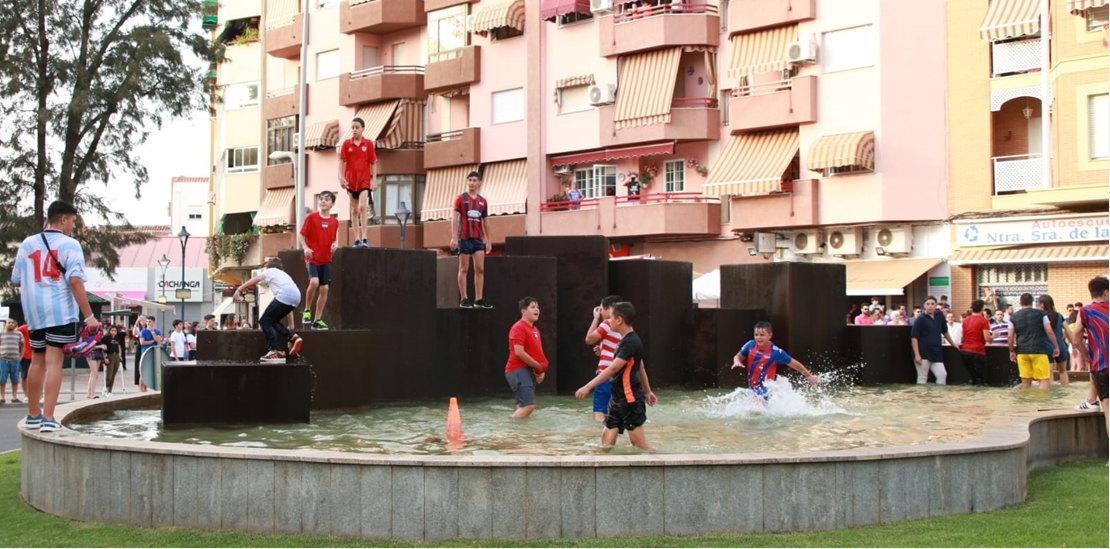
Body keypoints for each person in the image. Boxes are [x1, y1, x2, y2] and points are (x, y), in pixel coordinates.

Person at [11, 200, 100, 432]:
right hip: (60, 311)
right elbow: (75, 281)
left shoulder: (27, 244)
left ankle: (33, 414)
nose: (72, 225)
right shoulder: (70, 245)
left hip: (34, 313)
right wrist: (89, 316)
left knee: (36, 361)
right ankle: (49, 417)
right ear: (63, 219)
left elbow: (17, 280)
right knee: (54, 363)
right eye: (72, 221)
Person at [575, 302, 657, 451]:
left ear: (619, 320)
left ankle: (663, 461)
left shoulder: (631, 342)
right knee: (606, 439)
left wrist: (587, 387)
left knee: (639, 443)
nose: (608, 320)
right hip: (618, 398)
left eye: (611, 317)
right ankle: (601, 467)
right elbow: (641, 366)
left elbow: (613, 369)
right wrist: (648, 391)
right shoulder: (623, 340)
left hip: (630, 398)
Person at [730, 320, 819, 402]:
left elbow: (794, 364)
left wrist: (809, 376)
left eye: (762, 335)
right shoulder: (750, 345)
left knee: (756, 409)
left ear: (770, 335)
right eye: (756, 335)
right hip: (752, 387)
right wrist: (737, 361)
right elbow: (738, 356)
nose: (758, 338)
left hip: (766, 388)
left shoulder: (776, 352)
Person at [235, 258, 303, 361]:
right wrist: (291, 326)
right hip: (296, 297)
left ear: (268, 267)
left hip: (285, 295)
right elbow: (288, 305)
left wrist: (239, 289)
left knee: (264, 321)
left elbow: (257, 278)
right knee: (272, 320)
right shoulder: (285, 275)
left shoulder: (271, 271)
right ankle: (293, 337)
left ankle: (276, 350)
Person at [450, 171, 493, 309]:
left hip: (478, 239)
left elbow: (486, 222)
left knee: (480, 268)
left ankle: (479, 299)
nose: (472, 183)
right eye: (470, 180)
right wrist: (454, 237)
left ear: (479, 182)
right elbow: (455, 219)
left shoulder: (483, 201)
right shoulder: (460, 198)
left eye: (474, 180)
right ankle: (464, 299)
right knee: (464, 268)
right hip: (464, 238)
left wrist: (489, 240)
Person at [300, 190, 339, 330]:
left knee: (325, 289)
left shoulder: (335, 222)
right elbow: (301, 234)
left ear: (332, 204)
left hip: (326, 259)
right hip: (312, 258)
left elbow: (334, 238)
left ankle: (317, 320)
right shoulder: (311, 218)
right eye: (321, 199)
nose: (323, 201)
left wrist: (335, 245)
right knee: (314, 281)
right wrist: (305, 248)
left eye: (326, 199)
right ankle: (307, 310)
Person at [504, 297, 548, 419]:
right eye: (533, 307)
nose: (537, 310)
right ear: (523, 311)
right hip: (517, 370)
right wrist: (538, 366)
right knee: (528, 406)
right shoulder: (518, 327)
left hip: (527, 371)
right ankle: (506, 427)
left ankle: (518, 434)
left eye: (538, 307)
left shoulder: (535, 329)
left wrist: (540, 371)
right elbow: (519, 352)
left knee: (521, 406)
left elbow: (535, 353)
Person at [339, 117, 378, 248]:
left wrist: (374, 179)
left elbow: (373, 162)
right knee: (354, 210)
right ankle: (357, 239)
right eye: (353, 128)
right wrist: (340, 176)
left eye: (357, 127)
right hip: (351, 180)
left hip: (364, 180)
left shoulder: (368, 144)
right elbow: (342, 161)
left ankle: (365, 237)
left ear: (363, 129)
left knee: (362, 207)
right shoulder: (346, 144)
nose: (354, 130)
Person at [584, 295, 624, 422]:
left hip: (604, 373)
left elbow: (589, 339)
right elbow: (619, 349)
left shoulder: (607, 323)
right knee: (616, 410)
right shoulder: (623, 325)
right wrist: (603, 350)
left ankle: (600, 438)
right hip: (620, 375)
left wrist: (595, 319)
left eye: (601, 309)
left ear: (609, 309)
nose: (600, 312)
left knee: (599, 412)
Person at [1008, 293, 1059, 390]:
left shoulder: (1013, 317)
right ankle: (1042, 403)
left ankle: (1026, 403)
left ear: (1020, 302)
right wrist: (1056, 346)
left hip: (1022, 352)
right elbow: (1049, 331)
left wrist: (1011, 351)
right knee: (1044, 380)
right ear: (1032, 302)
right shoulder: (1042, 314)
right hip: (1039, 351)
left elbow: (1010, 336)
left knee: (1026, 382)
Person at [1072, 277, 1107, 414]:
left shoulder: (1085, 311)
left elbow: (1076, 340)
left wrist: (1088, 356)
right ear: (1106, 293)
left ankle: (1091, 401)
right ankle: (1091, 400)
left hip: (1101, 364)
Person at [910, 296, 957, 385]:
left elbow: (945, 331)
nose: (930, 306)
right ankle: (921, 397)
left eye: (932, 304)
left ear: (936, 305)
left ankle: (938, 396)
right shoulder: (920, 319)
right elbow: (914, 337)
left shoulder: (939, 315)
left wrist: (953, 344)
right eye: (927, 304)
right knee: (922, 377)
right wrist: (917, 354)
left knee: (942, 375)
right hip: (923, 352)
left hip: (936, 351)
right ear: (924, 306)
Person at [960, 300, 993, 387]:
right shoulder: (984, 321)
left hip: (965, 351)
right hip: (978, 352)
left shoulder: (966, 320)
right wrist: (995, 336)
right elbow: (987, 339)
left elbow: (962, 335)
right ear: (982, 309)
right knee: (979, 379)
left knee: (972, 377)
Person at [1038, 294, 1069, 385]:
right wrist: (1073, 343)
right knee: (1063, 372)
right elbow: (1068, 330)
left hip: (1046, 347)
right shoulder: (1059, 316)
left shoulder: (1040, 316)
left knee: (1049, 373)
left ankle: (1050, 395)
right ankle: (1065, 393)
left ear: (1042, 304)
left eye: (1038, 303)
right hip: (1061, 345)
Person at [0, 318, 25, 403]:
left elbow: (23, 345)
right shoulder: (1, 333)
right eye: (8, 323)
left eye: (12, 323)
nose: (10, 324)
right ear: (5, 324)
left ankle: (14, 397)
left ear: (14, 325)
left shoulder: (18, 334)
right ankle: (2, 397)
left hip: (15, 360)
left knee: (15, 379)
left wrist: (21, 356)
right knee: (2, 379)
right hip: (4, 360)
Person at [138, 317, 163, 392]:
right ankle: (141, 389)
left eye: (150, 321)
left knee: (154, 369)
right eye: (147, 321)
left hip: (154, 352)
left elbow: (158, 340)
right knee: (143, 371)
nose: (148, 323)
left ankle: (149, 387)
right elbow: (142, 342)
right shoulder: (143, 331)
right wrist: (152, 341)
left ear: (153, 322)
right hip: (145, 352)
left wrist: (152, 332)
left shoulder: (157, 331)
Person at [85, 322, 106, 399]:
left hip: (98, 354)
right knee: (95, 373)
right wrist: (100, 346)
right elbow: (88, 346)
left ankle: (89, 392)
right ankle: (92, 393)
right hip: (91, 354)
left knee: (93, 374)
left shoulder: (99, 335)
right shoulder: (88, 335)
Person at [103, 326, 122, 397]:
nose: (113, 332)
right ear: (109, 331)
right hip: (109, 355)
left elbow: (119, 346)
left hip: (116, 356)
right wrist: (104, 357)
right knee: (109, 375)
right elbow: (103, 348)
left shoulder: (117, 338)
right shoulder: (105, 338)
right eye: (112, 330)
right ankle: (105, 388)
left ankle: (109, 390)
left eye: (115, 331)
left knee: (113, 374)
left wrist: (120, 355)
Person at [16, 321, 31, 398]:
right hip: (26, 355)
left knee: (36, 376)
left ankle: (39, 395)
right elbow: (14, 332)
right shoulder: (23, 328)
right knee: (24, 376)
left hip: (37, 355)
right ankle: (26, 395)